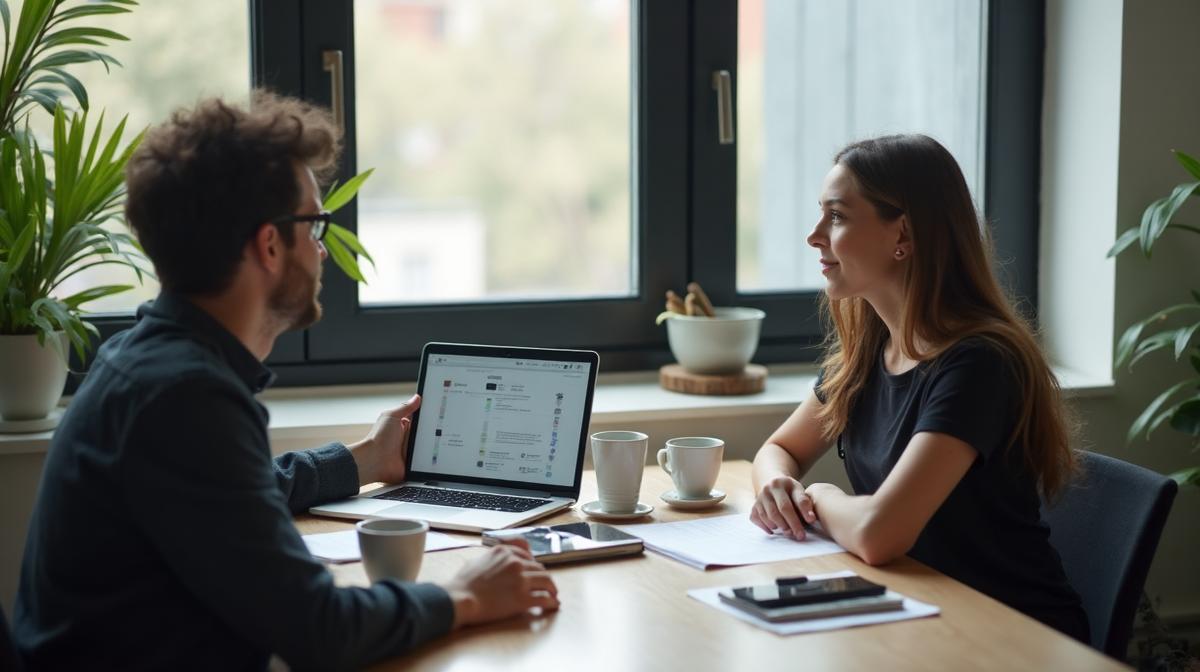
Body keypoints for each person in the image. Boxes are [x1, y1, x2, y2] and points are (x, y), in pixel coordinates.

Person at [13, 92, 558, 671]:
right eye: (315, 223)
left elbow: (238, 497)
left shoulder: (143, 359)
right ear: (270, 244)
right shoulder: (185, 396)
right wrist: (466, 593)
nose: (323, 250)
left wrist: (367, 460)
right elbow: (319, 630)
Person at [749, 134, 1089, 641]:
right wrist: (778, 484)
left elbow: (879, 533)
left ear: (902, 233)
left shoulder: (979, 364)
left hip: (1009, 636)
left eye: (837, 217)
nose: (815, 236)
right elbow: (778, 449)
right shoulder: (869, 351)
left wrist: (817, 496)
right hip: (914, 611)